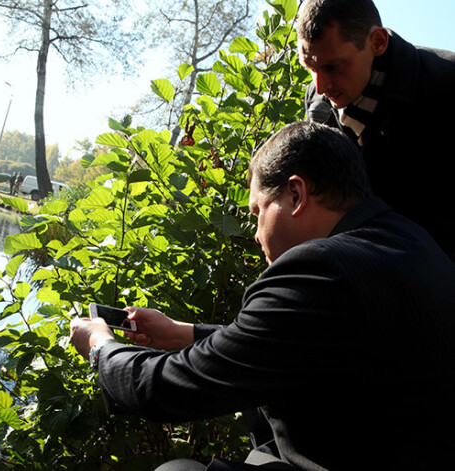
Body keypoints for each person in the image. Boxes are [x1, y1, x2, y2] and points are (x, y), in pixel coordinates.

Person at [70, 121, 455, 470]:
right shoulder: (413, 242)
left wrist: (101, 345)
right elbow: (292, 339)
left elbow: (167, 390)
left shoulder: (319, 266)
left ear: (296, 194)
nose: (255, 233)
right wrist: (179, 333)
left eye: (257, 211)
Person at [297, 0, 455, 261]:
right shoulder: (317, 102)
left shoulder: (446, 85)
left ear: (378, 42)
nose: (321, 86)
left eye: (333, 67)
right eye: (310, 68)